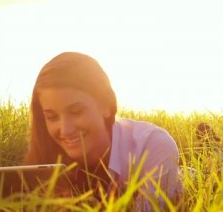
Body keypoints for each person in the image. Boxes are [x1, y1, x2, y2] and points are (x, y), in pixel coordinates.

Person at [23, 52, 182, 210]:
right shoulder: (45, 158)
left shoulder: (152, 145)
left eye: (76, 111)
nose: (65, 130)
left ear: (106, 105)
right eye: (51, 117)